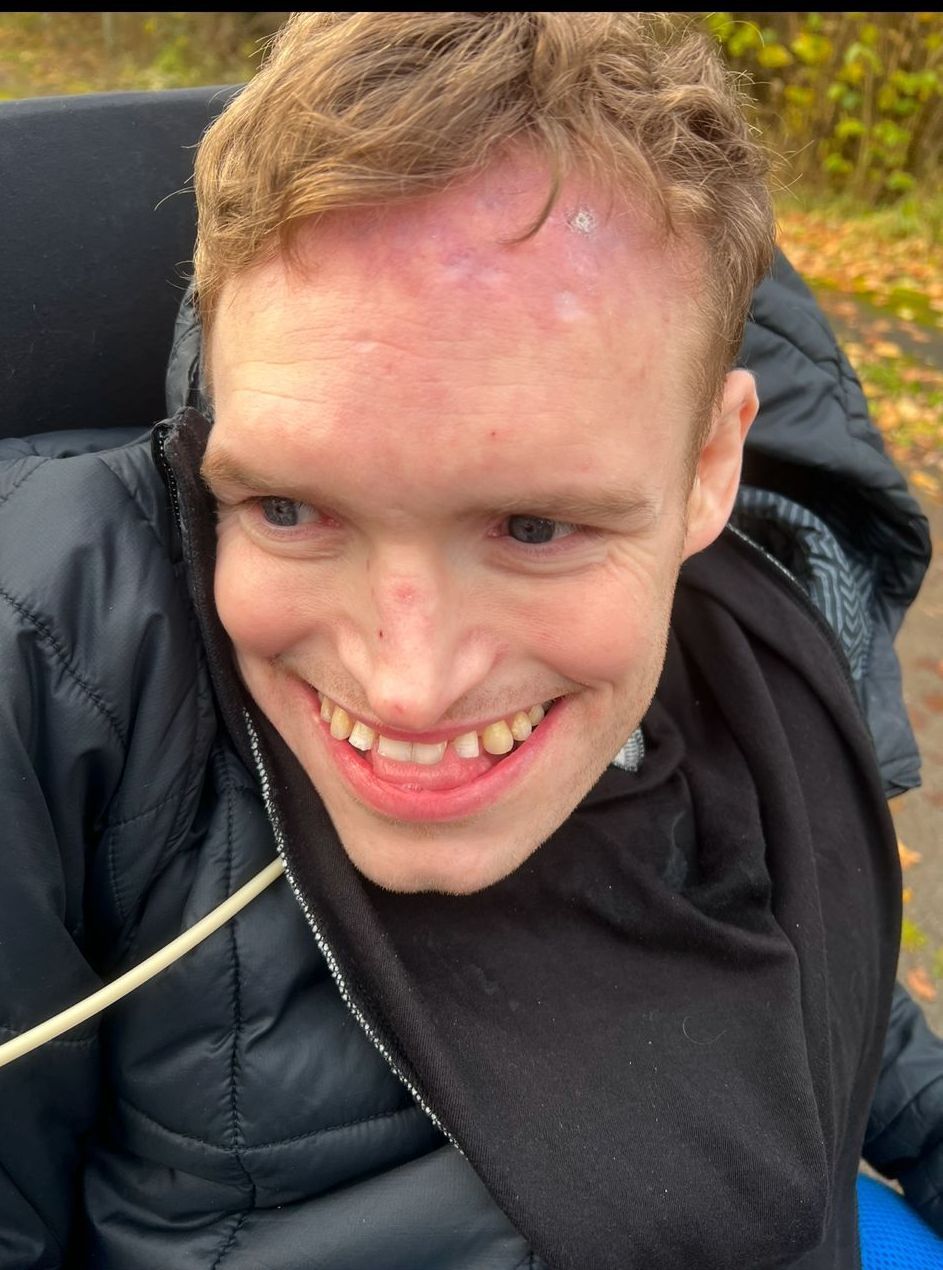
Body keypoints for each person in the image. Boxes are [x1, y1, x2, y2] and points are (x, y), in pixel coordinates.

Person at [0, 12, 940, 1269]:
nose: (408, 679)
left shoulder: (760, 639)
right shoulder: (70, 684)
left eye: (535, 526)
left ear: (709, 464)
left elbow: (830, 988)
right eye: (288, 509)